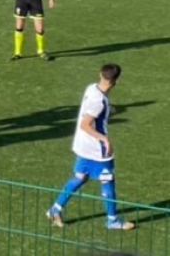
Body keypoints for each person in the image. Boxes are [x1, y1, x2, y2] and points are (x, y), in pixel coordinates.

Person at [46, 64, 135, 231]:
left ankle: (55, 209)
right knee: (108, 181)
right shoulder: (99, 102)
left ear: (100, 75)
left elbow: (94, 111)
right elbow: (85, 124)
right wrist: (105, 139)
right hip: (96, 149)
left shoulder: (93, 88)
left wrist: (109, 110)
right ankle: (112, 220)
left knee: (81, 177)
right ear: (116, 80)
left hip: (82, 145)